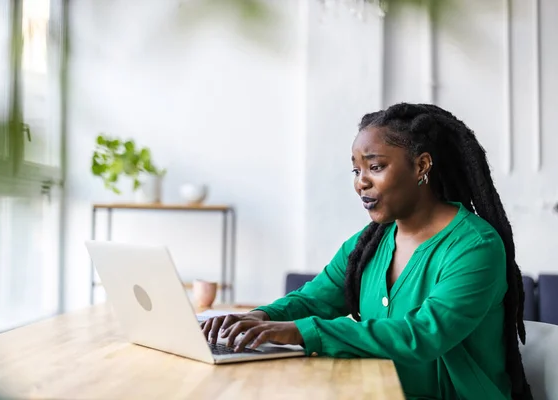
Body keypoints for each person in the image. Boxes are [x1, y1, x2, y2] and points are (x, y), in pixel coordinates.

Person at [201, 103, 532, 399]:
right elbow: (312, 298)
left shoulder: (476, 247)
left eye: (375, 167)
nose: (361, 182)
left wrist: (305, 332)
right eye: (356, 170)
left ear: (421, 166)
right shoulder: (369, 244)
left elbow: (423, 334)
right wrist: (259, 317)